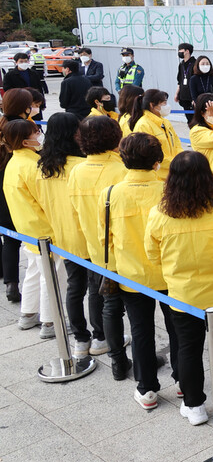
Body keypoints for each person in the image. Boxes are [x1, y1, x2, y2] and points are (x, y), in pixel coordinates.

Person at [145, 151, 213, 426]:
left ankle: (194, 404)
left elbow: (153, 254)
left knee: (188, 347)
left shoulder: (160, 214)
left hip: (184, 295)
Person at [105, 133, 177, 409]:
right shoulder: (169, 190)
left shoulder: (110, 194)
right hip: (169, 272)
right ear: (157, 162)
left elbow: (105, 239)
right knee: (177, 329)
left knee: (141, 331)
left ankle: (146, 388)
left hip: (130, 275)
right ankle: (183, 382)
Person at [69, 116, 131, 376]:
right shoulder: (121, 170)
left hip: (96, 250)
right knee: (136, 311)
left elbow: (75, 212)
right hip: (127, 252)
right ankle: (135, 359)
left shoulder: (77, 171)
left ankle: (116, 359)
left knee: (106, 302)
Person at [36, 113, 92, 354]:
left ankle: (80, 338)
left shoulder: (43, 168)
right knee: (97, 290)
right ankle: (101, 336)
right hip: (88, 236)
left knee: (75, 287)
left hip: (63, 237)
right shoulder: (81, 166)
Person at [2, 119, 63, 339]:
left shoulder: (13, 163)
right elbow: (48, 201)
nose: (39, 135)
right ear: (25, 141)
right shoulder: (33, 166)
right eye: (36, 132)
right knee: (52, 276)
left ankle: (28, 313)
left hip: (27, 229)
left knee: (34, 272)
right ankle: (50, 321)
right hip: (45, 231)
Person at [0, 88, 36, 303]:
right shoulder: (26, 128)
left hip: (1, 189)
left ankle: (11, 283)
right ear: (25, 107)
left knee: (10, 240)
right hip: (18, 185)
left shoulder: (2, 125)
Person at [131, 89, 183, 180]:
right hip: (158, 175)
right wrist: (176, 163)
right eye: (164, 103)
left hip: (174, 172)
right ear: (152, 105)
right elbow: (150, 154)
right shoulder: (143, 125)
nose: (167, 106)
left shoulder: (165, 122)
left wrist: (182, 159)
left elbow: (176, 143)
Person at [175, 43, 196, 122]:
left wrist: (195, 98)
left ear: (187, 51)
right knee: (189, 119)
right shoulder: (181, 64)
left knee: (195, 119)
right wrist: (177, 93)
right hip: (184, 96)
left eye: (180, 50)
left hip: (192, 96)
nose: (179, 52)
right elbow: (179, 80)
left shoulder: (195, 63)